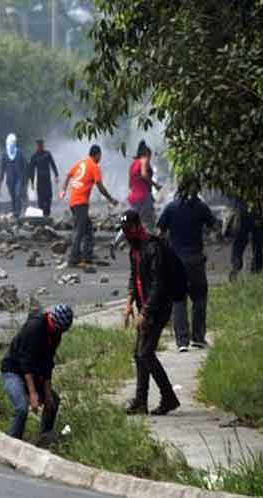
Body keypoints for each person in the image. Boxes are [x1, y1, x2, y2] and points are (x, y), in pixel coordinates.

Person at [121, 209, 180, 416]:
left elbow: (159, 284)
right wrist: (129, 304)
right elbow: (133, 276)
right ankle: (141, 401)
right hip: (143, 308)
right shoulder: (134, 249)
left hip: (158, 308)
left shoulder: (152, 248)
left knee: (145, 353)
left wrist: (145, 312)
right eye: (124, 231)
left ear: (138, 226)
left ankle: (169, 397)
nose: (127, 235)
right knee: (139, 354)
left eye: (129, 230)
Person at [157, 179, 216, 351]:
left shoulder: (171, 207)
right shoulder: (201, 207)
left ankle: (182, 341)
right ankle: (198, 337)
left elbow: (160, 232)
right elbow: (213, 227)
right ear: (197, 189)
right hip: (196, 260)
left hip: (176, 262)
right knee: (199, 297)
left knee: (179, 300)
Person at [0, 304, 75, 440]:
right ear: (53, 321)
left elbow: (47, 364)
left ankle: (44, 436)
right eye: (58, 328)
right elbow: (26, 363)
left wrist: (47, 392)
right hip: (13, 371)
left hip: (32, 373)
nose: (59, 332)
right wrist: (33, 393)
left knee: (53, 401)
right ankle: (13, 440)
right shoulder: (35, 328)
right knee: (22, 407)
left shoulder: (55, 335)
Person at [60, 145, 119, 266]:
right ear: (97, 155)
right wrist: (111, 199)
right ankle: (73, 258)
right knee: (79, 230)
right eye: (100, 156)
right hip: (80, 202)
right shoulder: (94, 166)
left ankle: (87, 256)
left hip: (74, 201)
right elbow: (100, 187)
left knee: (88, 229)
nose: (100, 158)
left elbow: (68, 175)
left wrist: (63, 190)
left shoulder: (81, 163)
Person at [230, 199, 263, 281]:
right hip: (255, 213)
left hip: (242, 213)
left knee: (239, 244)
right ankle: (256, 270)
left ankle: (236, 264)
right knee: (257, 245)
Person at [28, 139, 59, 218]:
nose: (40, 147)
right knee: (41, 200)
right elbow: (31, 170)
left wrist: (56, 175)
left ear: (43, 145)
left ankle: (47, 214)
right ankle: (42, 215)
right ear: (36, 146)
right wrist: (31, 182)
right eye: (38, 145)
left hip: (47, 181)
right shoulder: (34, 156)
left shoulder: (47, 154)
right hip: (40, 182)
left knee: (48, 198)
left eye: (41, 145)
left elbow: (53, 165)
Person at [0, 133, 27, 219]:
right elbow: (2, 168)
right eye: (10, 143)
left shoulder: (19, 153)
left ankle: (17, 213)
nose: (11, 144)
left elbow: (25, 166)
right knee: (13, 196)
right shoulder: (4, 154)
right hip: (10, 179)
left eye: (13, 142)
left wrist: (25, 178)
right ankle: (14, 210)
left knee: (17, 194)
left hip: (19, 178)